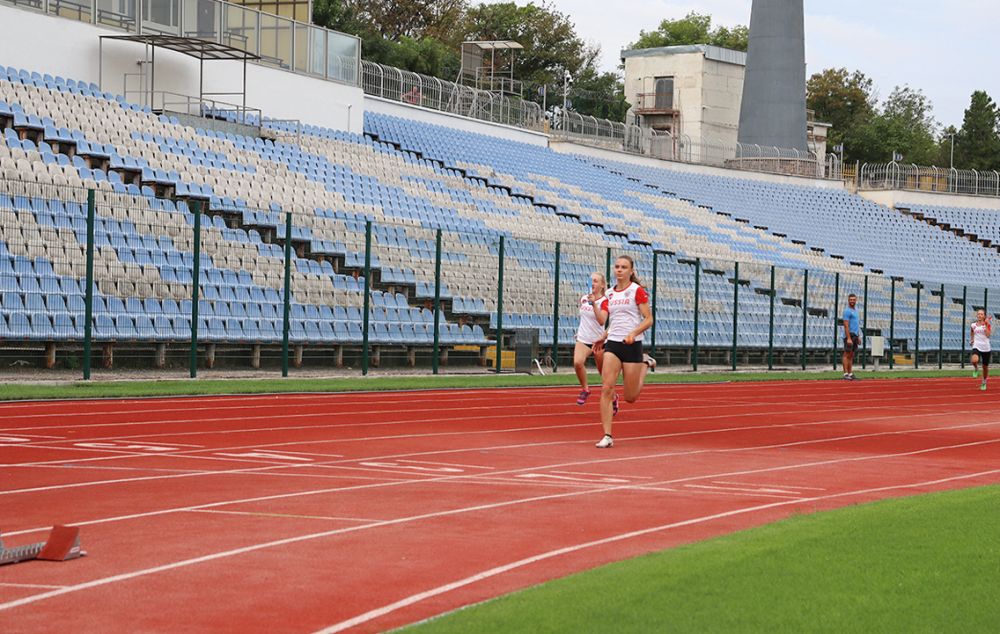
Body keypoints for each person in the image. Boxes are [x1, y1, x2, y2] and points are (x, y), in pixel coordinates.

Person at [592, 255, 656, 448]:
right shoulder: (610, 294)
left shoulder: (637, 291)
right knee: (606, 388)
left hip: (632, 345)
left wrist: (633, 333)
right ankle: (607, 435)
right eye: (617, 267)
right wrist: (604, 336)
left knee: (630, 397)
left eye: (624, 267)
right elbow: (614, 321)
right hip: (613, 344)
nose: (619, 270)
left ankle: (645, 363)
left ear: (631, 271)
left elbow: (648, 319)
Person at [573, 272, 608, 405]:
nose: (593, 283)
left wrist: (594, 304)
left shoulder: (604, 301)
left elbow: (601, 321)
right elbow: (584, 318)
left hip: (598, 341)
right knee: (577, 362)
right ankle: (585, 389)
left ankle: (613, 396)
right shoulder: (583, 298)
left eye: (596, 281)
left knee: (604, 375)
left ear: (602, 285)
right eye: (591, 281)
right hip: (583, 339)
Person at [970, 309, 992, 391]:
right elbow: (972, 331)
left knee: (985, 367)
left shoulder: (987, 324)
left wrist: (986, 324)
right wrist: (972, 339)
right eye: (978, 314)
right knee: (974, 360)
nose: (979, 315)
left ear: (984, 316)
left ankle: (984, 382)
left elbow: (988, 335)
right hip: (976, 346)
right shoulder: (973, 325)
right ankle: (976, 368)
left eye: (981, 314)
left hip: (986, 348)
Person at [842, 293, 861, 380]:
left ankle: (850, 373)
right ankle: (845, 373)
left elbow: (857, 324)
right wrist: (848, 338)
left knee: (851, 355)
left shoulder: (856, 311)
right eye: (851, 300)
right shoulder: (847, 311)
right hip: (849, 335)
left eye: (853, 300)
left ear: (856, 300)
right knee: (847, 354)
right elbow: (846, 325)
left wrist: (858, 336)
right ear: (848, 300)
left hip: (855, 335)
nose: (852, 301)